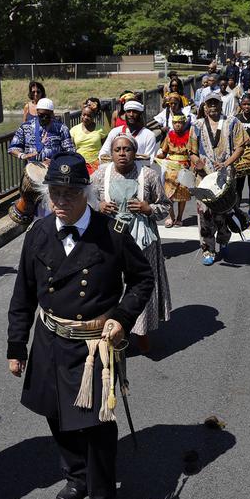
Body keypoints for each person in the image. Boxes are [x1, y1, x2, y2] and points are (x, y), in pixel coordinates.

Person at [7, 152, 154, 499]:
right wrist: (15, 345)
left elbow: (142, 280)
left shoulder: (113, 234)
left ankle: (104, 495)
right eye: (54, 193)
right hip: (50, 340)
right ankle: (75, 475)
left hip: (93, 347)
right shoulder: (38, 234)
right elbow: (22, 293)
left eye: (70, 194)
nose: (60, 201)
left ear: (86, 193)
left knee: (97, 425)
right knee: (56, 414)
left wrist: (122, 318)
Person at [93, 134, 171, 352]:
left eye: (127, 149)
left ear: (135, 153)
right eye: (117, 149)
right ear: (111, 153)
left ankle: (141, 333)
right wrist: (99, 206)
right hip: (109, 241)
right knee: (109, 286)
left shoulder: (149, 175)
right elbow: (87, 200)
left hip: (142, 242)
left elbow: (165, 205)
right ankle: (110, 331)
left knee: (140, 285)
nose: (122, 154)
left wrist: (149, 209)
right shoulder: (100, 174)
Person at [194, 93, 248, 265]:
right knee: (204, 215)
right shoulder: (197, 125)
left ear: (220, 105)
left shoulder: (233, 123)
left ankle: (224, 239)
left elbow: (241, 146)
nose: (213, 107)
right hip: (204, 179)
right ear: (204, 106)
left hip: (226, 177)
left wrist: (226, 163)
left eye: (215, 103)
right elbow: (192, 152)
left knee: (225, 211)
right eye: (209, 104)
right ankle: (208, 249)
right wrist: (197, 163)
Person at [156, 114, 197, 227]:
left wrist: (194, 167)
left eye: (180, 123)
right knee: (168, 195)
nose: (177, 125)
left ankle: (179, 218)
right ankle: (171, 217)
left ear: (184, 124)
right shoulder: (169, 136)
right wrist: (155, 157)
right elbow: (164, 153)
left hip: (184, 168)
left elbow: (193, 153)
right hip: (170, 169)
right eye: (175, 123)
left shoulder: (189, 137)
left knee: (182, 195)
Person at [8, 97, 76, 163]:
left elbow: (70, 151)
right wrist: (23, 155)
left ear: (52, 113)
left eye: (47, 115)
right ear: (37, 112)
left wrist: (56, 162)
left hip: (54, 170)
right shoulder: (26, 127)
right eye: (41, 115)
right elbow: (12, 148)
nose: (44, 118)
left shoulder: (61, 128)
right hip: (32, 170)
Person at [70, 104, 108, 174]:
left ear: (94, 116)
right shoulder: (74, 130)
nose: (85, 117)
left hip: (97, 165)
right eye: (83, 115)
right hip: (79, 164)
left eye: (89, 116)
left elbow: (105, 148)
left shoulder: (101, 130)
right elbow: (71, 149)